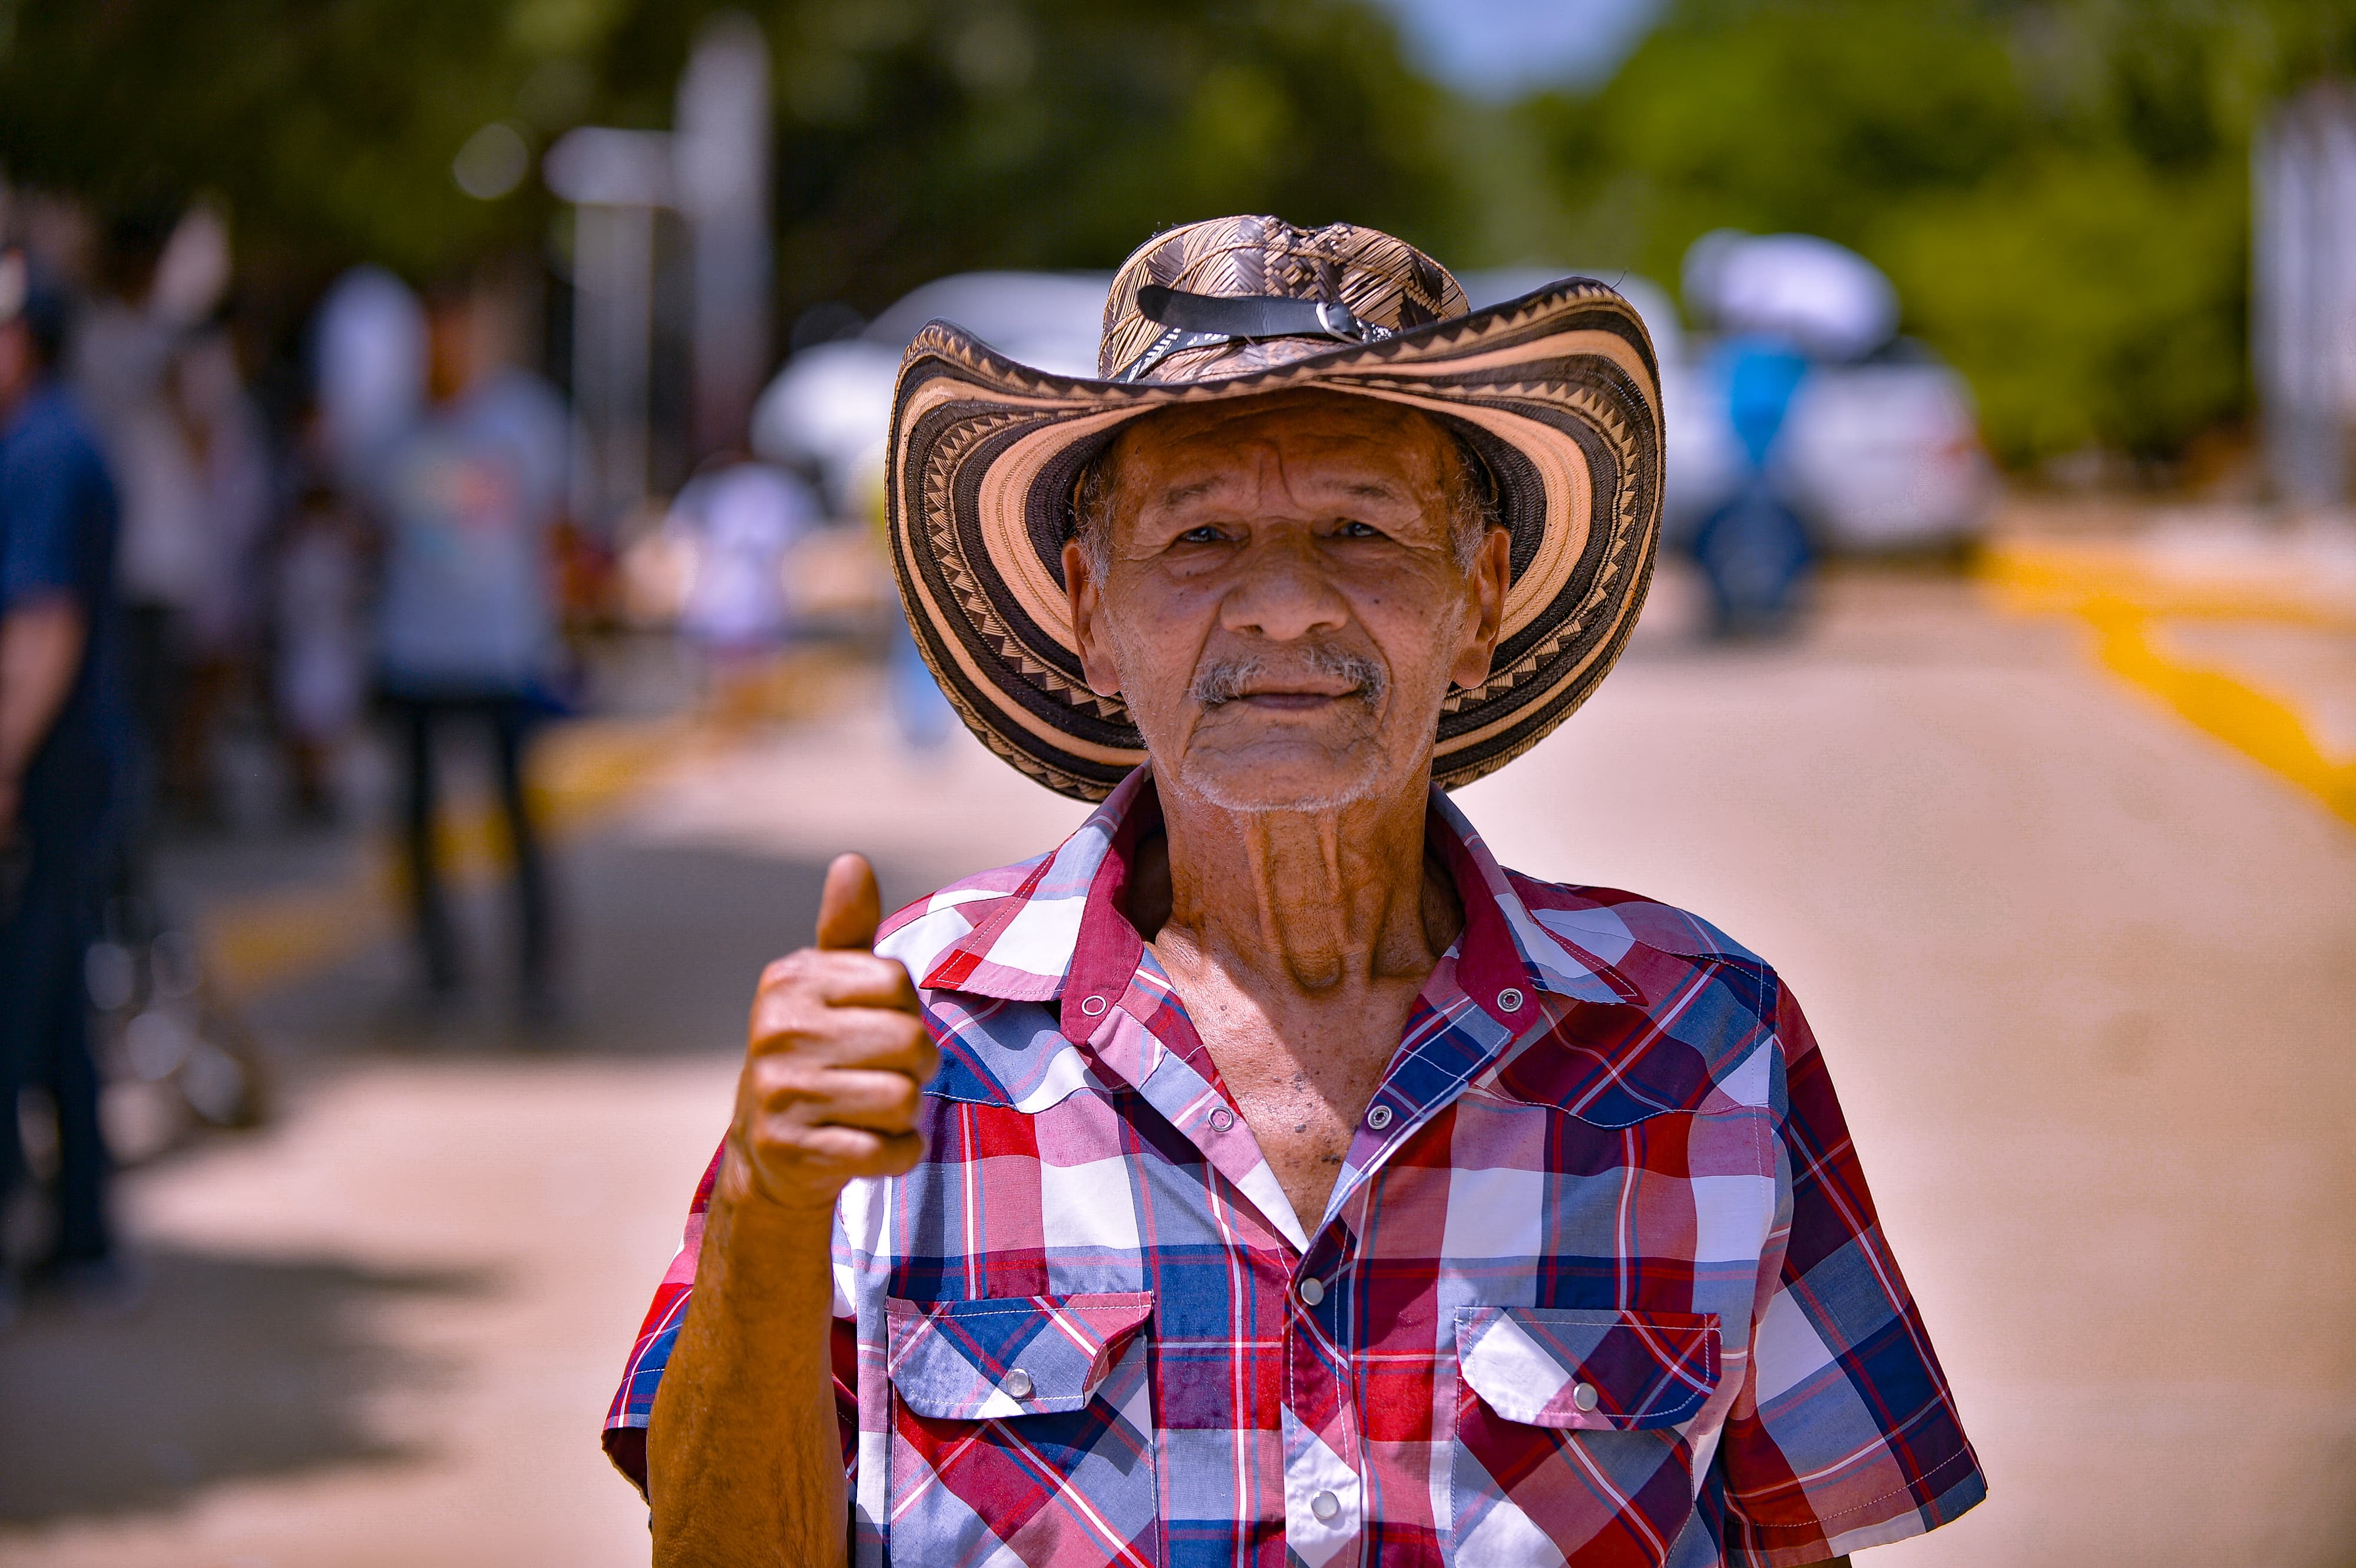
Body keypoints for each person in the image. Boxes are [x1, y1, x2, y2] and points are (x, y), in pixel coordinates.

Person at [604, 217, 1985, 1566]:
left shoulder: (1701, 1043)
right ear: (1089, 614)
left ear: (1481, 601)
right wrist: (767, 1212)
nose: (1282, 605)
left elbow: (1795, 1537)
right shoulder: (903, 1035)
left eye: (1359, 528)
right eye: (1198, 538)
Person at [369, 274, 568, 1015]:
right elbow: (370, 530)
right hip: (413, 650)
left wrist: (558, 635)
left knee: (517, 817)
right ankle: (436, 969)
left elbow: (551, 533)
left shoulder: (522, 420)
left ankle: (536, 973)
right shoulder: (391, 431)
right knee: (416, 822)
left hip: (502, 651)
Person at [0, 249, 131, 1301]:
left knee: (20, 1002)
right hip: (70, 766)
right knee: (48, 1005)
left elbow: (44, 623)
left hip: (49, 773)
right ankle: (83, 1230)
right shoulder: (49, 441)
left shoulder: (44, 452)